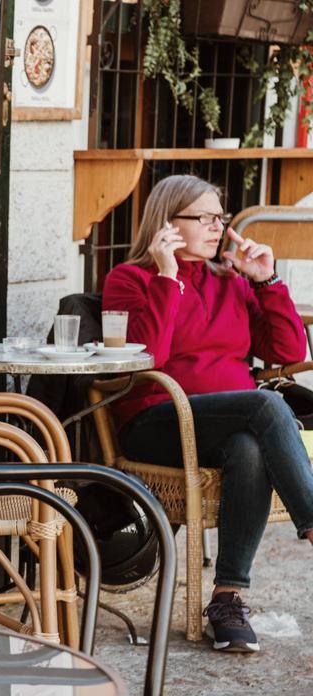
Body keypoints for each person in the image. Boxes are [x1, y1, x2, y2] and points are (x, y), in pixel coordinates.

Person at [103, 174, 313, 654]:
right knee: (265, 404)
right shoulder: (130, 279)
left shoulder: (231, 280)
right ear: (167, 222)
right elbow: (149, 357)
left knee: (248, 446)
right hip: (159, 421)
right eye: (203, 217)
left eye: (219, 216)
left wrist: (267, 281)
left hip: (231, 427)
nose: (217, 227)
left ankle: (227, 598)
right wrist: (166, 277)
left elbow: (286, 348)